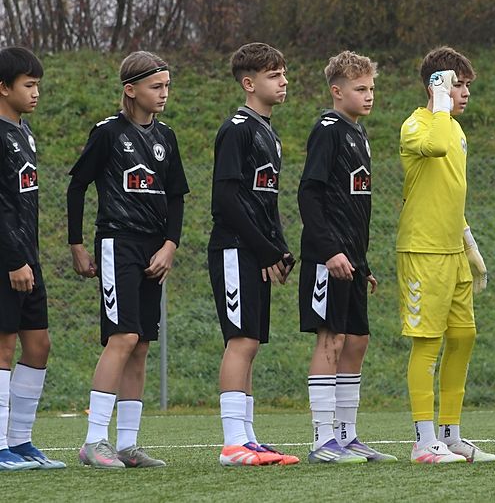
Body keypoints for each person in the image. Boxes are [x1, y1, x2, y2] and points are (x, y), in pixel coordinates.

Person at [69, 51, 189, 469]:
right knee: (122, 337)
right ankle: (93, 441)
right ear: (131, 89)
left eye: (167, 85)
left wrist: (170, 245)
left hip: (154, 249)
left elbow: (176, 198)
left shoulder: (166, 137)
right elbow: (77, 187)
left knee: (141, 344)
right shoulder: (107, 133)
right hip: (117, 243)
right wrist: (76, 244)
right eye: (156, 86)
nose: (164, 93)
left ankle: (127, 445)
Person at [398, 46, 495, 464]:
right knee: (428, 342)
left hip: (453, 250)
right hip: (423, 251)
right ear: (435, 86)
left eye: (467, 85)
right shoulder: (417, 125)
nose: (465, 92)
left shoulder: (454, 129)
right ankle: (423, 441)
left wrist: (470, 245)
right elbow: (436, 147)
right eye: (458, 84)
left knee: (463, 336)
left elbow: (451, 194)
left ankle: (450, 435)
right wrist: (440, 99)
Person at [299, 51, 395, 464]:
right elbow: (309, 194)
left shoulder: (359, 133)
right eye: (360, 89)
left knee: (357, 339)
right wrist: (330, 251)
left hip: (352, 260)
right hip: (328, 259)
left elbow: (352, 207)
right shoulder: (328, 130)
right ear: (337, 92)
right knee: (331, 338)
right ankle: (322, 440)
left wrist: (361, 262)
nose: (369, 95)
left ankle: (347, 435)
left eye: (371, 88)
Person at [209, 43, 297, 467]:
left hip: (256, 250)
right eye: (273, 75)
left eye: (283, 74)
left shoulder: (269, 132)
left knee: (252, 343)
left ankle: (249, 439)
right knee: (240, 340)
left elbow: (266, 201)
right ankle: (232, 444)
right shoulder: (237, 129)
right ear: (249, 83)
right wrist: (263, 248)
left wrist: (278, 248)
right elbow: (225, 199)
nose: (283, 82)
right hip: (234, 249)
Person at [0, 47, 64, 471]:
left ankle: (20, 440)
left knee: (39, 346)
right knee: (4, 346)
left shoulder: (24, 132)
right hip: (7, 259)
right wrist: (12, 259)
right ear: (3, 88)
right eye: (29, 85)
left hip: (28, 256)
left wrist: (27, 257)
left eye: (37, 84)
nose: (36, 92)